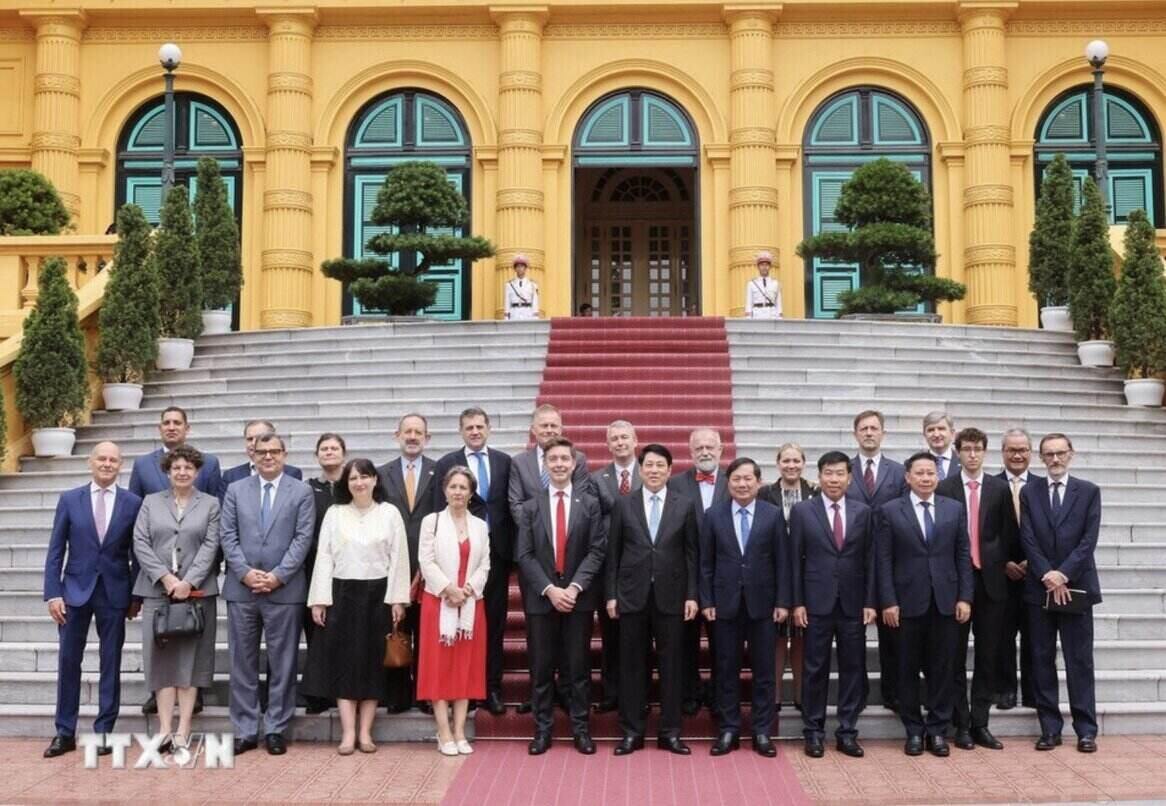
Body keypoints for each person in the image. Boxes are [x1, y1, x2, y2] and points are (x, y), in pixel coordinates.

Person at [302, 458, 410, 755]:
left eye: (364, 477)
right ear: (345, 484)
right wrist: (320, 600)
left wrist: (398, 599)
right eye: (353, 478)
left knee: (373, 664)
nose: (359, 483)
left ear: (375, 480)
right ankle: (348, 734)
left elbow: (400, 558)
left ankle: (366, 733)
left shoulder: (389, 513)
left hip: (379, 595)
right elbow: (323, 556)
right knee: (345, 664)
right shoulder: (335, 514)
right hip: (342, 593)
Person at [42, 442, 143, 758]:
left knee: (110, 663)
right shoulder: (70, 499)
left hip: (115, 592)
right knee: (68, 662)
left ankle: (103, 732)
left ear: (120, 465)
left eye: (114, 459)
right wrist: (53, 592)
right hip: (73, 592)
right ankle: (64, 732)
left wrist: (135, 595)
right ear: (90, 462)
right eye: (102, 458)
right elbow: (56, 550)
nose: (107, 464)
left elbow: (138, 552)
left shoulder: (133, 502)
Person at [220, 432, 315, 756]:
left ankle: (276, 728)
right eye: (262, 452)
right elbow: (227, 536)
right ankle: (246, 729)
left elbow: (303, 539)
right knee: (242, 663)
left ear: (284, 454)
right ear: (253, 455)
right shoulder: (235, 489)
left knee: (283, 663)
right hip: (242, 590)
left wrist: (277, 576)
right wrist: (245, 573)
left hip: (284, 591)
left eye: (274, 451)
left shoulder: (301, 491)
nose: (268, 457)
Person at [877, 452, 973, 757]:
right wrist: (888, 601)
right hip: (905, 604)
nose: (926, 478)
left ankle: (938, 730)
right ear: (907, 477)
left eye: (930, 473)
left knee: (942, 669)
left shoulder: (954, 509)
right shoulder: (890, 510)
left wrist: (965, 597)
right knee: (906, 669)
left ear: (937, 476)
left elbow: (962, 555)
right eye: (919, 473)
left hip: (945, 601)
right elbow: (883, 559)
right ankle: (914, 731)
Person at [605, 444, 698, 756]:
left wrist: (692, 595)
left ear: (670, 471)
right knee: (632, 667)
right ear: (640, 470)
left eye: (661, 466)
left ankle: (670, 732)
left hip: (672, 598)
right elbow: (613, 553)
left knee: (672, 667)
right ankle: (632, 732)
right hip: (632, 597)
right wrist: (611, 595)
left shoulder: (684, 504)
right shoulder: (624, 504)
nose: (655, 471)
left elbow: (691, 555)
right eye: (649, 466)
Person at [516, 437, 607, 756]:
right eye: (552, 459)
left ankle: (581, 730)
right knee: (541, 669)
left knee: (578, 668)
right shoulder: (530, 506)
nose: (558, 464)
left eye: (563, 459)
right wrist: (550, 589)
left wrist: (573, 587)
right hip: (542, 600)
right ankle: (542, 731)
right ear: (544, 464)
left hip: (577, 599)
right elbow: (524, 555)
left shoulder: (590, 504)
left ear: (574, 463)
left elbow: (597, 550)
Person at [132, 445, 222, 755]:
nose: (182, 472)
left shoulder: (210, 504)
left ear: (197, 472)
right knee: (161, 662)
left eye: (188, 468)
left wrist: (189, 581)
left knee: (192, 662)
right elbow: (140, 541)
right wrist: (166, 578)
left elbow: (212, 545)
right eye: (176, 468)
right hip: (157, 592)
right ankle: (165, 729)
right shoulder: (150, 502)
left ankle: (184, 728)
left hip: (197, 594)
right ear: (168, 472)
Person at [936, 427, 1019, 751]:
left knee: (987, 656)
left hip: (991, 584)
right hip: (956, 585)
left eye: (978, 449)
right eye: (966, 449)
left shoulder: (999, 489)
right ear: (957, 451)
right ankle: (961, 722)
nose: (972, 454)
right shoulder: (944, 488)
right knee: (953, 657)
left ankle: (980, 722)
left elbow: (1009, 534)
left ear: (985, 452)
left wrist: (1007, 562)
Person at [699, 457, 787, 758]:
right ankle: (729, 729)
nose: (742, 484)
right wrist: (707, 600)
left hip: (764, 606)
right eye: (736, 479)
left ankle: (762, 731)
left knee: (764, 672)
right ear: (728, 482)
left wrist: (783, 602)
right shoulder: (713, 515)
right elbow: (706, 563)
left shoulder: (773, 515)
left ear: (758, 482)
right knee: (726, 670)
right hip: (724, 606)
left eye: (748, 479)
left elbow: (782, 563)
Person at [789, 451, 875, 759]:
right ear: (819, 476)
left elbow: (870, 560)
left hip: (853, 603)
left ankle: (847, 731)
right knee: (815, 669)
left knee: (853, 668)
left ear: (849, 478)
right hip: (815, 603)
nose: (834, 479)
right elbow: (794, 561)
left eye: (840, 474)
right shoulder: (802, 511)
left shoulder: (863, 512)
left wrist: (870, 601)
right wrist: (796, 602)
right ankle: (813, 732)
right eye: (828, 473)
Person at [1020, 433, 1101, 753]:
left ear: (1071, 454)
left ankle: (1086, 730)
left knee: (1079, 660)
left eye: (1060, 453)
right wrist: (1047, 575)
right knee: (1041, 659)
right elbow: (1028, 537)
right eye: (1048, 454)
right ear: (1041, 458)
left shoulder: (1089, 492)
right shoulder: (1030, 491)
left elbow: (1088, 539)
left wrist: (1063, 573)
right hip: (1040, 590)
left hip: (1077, 586)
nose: (1054, 459)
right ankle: (1050, 728)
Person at [433, 407, 514, 716]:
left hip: (497, 556)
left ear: (489, 429)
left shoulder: (504, 462)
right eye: (469, 427)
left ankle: (491, 688)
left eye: (480, 426)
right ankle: (461, 688)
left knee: (493, 625)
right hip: (458, 557)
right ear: (461, 430)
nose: (475, 431)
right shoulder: (446, 464)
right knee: (458, 624)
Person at [417, 467, 491, 756]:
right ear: (444, 490)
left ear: (471, 493)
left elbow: (486, 562)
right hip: (439, 602)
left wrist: (469, 589)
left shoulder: (480, 525)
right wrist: (449, 589)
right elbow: (426, 560)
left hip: (471, 603)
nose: (458, 492)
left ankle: (460, 730)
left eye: (463, 487)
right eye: (453, 487)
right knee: (439, 666)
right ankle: (443, 730)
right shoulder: (431, 522)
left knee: (465, 666)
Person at [846, 409, 907, 713]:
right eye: (863, 428)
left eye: (874, 428)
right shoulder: (843, 470)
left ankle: (893, 691)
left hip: (890, 561)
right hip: (852, 561)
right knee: (854, 630)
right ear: (855, 433)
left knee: (891, 631)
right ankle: (857, 693)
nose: (869, 433)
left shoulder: (899, 472)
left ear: (883, 433)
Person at [377, 414, 438, 714]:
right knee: (396, 630)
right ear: (396, 435)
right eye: (407, 431)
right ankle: (397, 696)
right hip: (392, 564)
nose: (412, 436)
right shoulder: (381, 473)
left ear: (427, 438)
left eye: (418, 432)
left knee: (426, 633)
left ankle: (425, 694)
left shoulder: (439, 472)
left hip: (430, 565)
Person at [669, 427, 729, 714]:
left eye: (710, 447)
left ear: (721, 449)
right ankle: (689, 694)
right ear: (690, 453)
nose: (705, 452)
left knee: (722, 643)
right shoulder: (676, 484)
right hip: (686, 576)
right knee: (686, 641)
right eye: (698, 448)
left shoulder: (736, 480)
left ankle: (719, 696)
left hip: (724, 577)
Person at [758, 442, 816, 711]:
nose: (791, 465)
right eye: (786, 461)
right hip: (775, 571)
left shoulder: (814, 492)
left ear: (804, 463)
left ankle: (802, 695)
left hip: (807, 572)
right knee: (777, 636)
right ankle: (776, 695)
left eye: (796, 461)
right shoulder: (765, 493)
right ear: (778, 463)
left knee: (803, 635)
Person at [589, 419, 640, 714]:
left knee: (641, 636)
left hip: (643, 565)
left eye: (625, 437)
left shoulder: (649, 473)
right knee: (610, 635)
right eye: (615, 439)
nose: (620, 442)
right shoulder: (597, 480)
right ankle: (611, 692)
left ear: (635, 441)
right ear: (608, 445)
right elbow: (596, 521)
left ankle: (639, 692)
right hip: (608, 566)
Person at [302, 432, 347, 715]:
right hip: (313, 567)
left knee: (343, 633)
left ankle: (344, 688)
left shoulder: (353, 485)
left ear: (343, 453)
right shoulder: (307, 488)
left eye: (334, 448)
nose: (329, 452)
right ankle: (318, 693)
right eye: (324, 448)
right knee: (317, 632)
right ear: (317, 455)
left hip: (347, 570)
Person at [995, 428, 1039, 710]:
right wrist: (1002, 562)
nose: (1017, 455)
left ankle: (1034, 692)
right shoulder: (991, 486)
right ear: (1002, 453)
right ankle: (1005, 690)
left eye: (1022, 449)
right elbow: (983, 532)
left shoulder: (1041, 485)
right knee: (1002, 635)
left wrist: (1034, 561)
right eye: (1012, 450)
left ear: (1031, 453)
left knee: (1036, 635)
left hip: (1037, 572)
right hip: (1001, 572)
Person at [129, 406, 222, 499]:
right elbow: (134, 506)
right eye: (166, 423)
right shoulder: (142, 465)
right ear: (160, 429)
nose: (171, 428)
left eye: (177, 423)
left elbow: (215, 505)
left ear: (187, 428)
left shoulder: (209, 463)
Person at [221, 419, 303, 486]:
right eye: (249, 439)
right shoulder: (230, 476)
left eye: (259, 438)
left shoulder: (292, 473)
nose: (253, 443)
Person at [922, 411, 960, 481]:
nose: (936, 434)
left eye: (941, 429)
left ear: (952, 433)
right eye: (931, 430)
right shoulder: (914, 464)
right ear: (924, 434)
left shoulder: (964, 463)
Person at [744, 251, 782, 319]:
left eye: (767, 265)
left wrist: (779, 317)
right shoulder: (752, 284)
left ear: (770, 266)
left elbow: (778, 303)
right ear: (758, 267)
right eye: (762, 265)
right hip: (757, 316)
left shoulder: (775, 283)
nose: (764, 267)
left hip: (772, 315)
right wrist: (748, 319)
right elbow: (749, 303)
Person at [503, 254, 539, 320]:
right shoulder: (509, 284)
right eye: (517, 266)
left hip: (528, 314)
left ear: (525, 268)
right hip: (514, 313)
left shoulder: (532, 284)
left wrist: (535, 317)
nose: (520, 269)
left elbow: (535, 302)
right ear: (515, 269)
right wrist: (506, 317)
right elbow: (507, 302)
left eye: (522, 266)